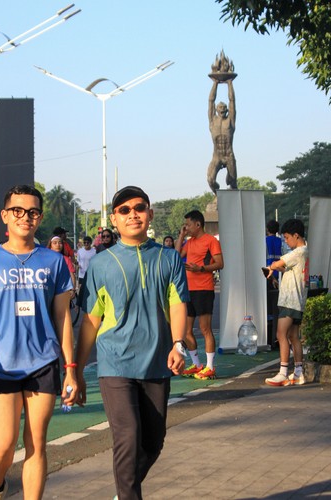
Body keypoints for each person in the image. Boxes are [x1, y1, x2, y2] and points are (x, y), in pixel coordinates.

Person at [75, 185, 188, 500]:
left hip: (156, 363)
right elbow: (91, 321)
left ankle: (125, 490)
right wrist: (76, 370)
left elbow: (178, 304)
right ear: (114, 219)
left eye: (139, 208)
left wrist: (178, 344)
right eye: (124, 210)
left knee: (153, 441)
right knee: (127, 436)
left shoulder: (169, 258)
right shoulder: (100, 264)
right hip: (115, 364)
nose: (132, 214)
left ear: (149, 213)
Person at [0, 185, 77, 500]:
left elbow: (62, 318)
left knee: (36, 443)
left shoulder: (54, 262)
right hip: (2, 364)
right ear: (4, 215)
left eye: (32, 212)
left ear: (39, 217)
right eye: (18, 210)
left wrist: (70, 368)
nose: (25, 217)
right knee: (4, 443)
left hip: (43, 362)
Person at [175, 209, 224, 380]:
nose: (186, 227)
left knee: (205, 328)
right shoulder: (189, 242)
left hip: (204, 289)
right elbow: (176, 256)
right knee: (186, 330)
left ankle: (210, 367)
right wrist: (181, 236)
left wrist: (201, 268)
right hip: (188, 290)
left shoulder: (211, 241)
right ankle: (197, 365)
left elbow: (220, 263)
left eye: (188, 225)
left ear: (198, 224)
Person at [265, 219, 309, 387]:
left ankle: (283, 373)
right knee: (293, 337)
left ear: (296, 235)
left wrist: (272, 266)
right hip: (298, 301)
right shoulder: (304, 252)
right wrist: (277, 268)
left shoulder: (298, 251)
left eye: (287, 237)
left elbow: (278, 263)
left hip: (290, 300)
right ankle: (298, 373)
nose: (286, 241)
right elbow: (287, 268)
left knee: (280, 335)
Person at [207, 79, 238, 194]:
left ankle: (231, 192)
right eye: (219, 108)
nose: (222, 109)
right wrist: (215, 83)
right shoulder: (212, 121)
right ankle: (219, 196)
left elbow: (232, 101)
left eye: (224, 108)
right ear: (216, 109)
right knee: (210, 180)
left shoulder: (230, 120)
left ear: (227, 110)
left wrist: (230, 83)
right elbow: (211, 101)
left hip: (229, 155)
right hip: (217, 156)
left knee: (233, 183)